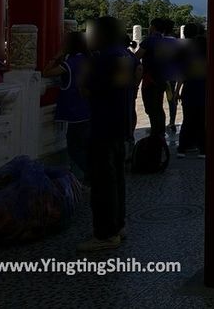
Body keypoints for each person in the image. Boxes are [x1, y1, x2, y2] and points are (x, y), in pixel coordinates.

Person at [78, 16, 138, 252]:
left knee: (103, 182)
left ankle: (105, 233)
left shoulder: (103, 59)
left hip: (103, 124)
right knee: (116, 179)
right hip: (120, 123)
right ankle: (118, 225)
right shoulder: (125, 55)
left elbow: (85, 89)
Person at [43, 31, 91, 179]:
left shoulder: (70, 63)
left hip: (75, 111)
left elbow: (46, 73)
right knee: (85, 146)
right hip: (90, 109)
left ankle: (93, 174)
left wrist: (56, 57)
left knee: (75, 148)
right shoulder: (90, 60)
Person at [136, 18, 180, 137]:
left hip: (150, 78)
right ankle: (161, 129)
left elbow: (137, 56)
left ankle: (156, 131)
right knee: (159, 106)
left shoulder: (149, 40)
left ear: (153, 27)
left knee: (151, 107)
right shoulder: (166, 41)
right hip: (164, 78)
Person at [177, 27, 207, 158]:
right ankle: (203, 149)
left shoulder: (189, 59)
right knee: (202, 122)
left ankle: (182, 148)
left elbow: (182, 76)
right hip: (203, 92)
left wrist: (177, 91)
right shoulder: (209, 60)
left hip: (188, 91)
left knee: (187, 120)